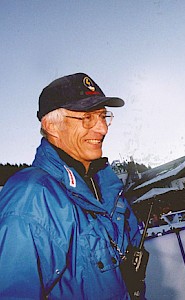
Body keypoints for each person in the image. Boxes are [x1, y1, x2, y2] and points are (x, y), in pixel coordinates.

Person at [0, 73, 148, 299]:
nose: (102, 129)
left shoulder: (108, 187)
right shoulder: (32, 197)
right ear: (52, 126)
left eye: (102, 116)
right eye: (87, 118)